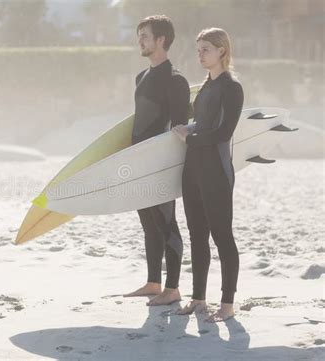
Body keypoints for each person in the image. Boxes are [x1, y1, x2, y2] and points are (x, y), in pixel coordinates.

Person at [172, 27, 244, 322]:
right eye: (198, 49)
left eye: (206, 50)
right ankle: (198, 298)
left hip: (215, 170)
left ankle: (227, 305)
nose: (200, 55)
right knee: (197, 235)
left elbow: (223, 132)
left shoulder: (231, 87)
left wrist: (189, 137)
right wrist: (187, 128)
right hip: (192, 169)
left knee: (222, 236)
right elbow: (202, 123)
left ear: (222, 51)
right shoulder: (204, 87)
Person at [123, 15, 190, 306]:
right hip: (139, 161)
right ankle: (153, 282)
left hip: (159, 164)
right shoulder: (141, 77)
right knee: (148, 224)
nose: (140, 40)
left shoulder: (176, 81)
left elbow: (179, 128)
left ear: (161, 40)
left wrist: (166, 165)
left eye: (145, 35)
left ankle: (172, 288)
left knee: (166, 223)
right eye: (139, 35)